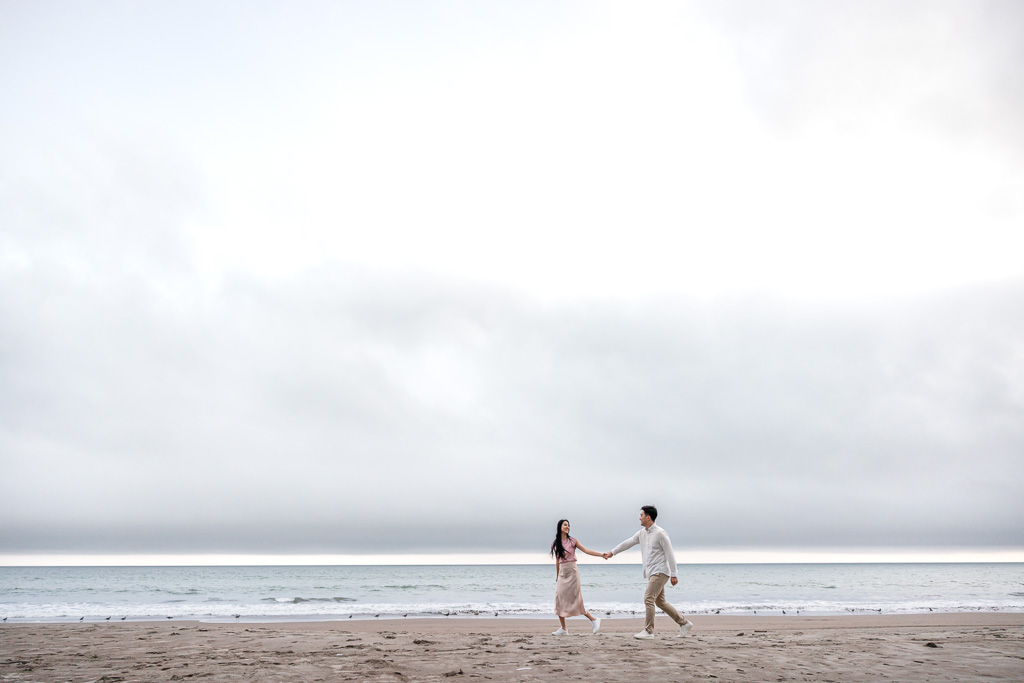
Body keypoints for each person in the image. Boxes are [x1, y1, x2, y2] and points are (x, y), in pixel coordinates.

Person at [602, 505, 694, 639]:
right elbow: (628, 542)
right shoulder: (642, 533)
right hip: (652, 572)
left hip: (661, 571)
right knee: (660, 602)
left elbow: (670, 554)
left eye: (641, 515)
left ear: (648, 517)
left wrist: (674, 574)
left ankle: (649, 631)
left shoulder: (660, 533)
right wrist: (612, 552)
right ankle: (684, 623)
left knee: (648, 598)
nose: (639, 518)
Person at [550, 519, 602, 635]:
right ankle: (563, 628)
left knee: (576, 599)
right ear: (560, 527)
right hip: (563, 573)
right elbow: (558, 561)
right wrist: (557, 575)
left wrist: (601, 555)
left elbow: (586, 550)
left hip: (572, 573)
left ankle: (594, 620)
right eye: (565, 525)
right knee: (559, 598)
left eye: (568, 525)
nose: (567, 527)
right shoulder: (555, 543)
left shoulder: (573, 541)